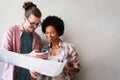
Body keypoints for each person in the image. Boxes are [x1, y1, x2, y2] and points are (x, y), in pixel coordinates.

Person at [1, 1, 46, 80]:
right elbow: (4, 56)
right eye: (32, 23)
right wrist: (28, 56)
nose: (35, 26)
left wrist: (36, 70)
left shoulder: (37, 38)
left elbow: (35, 62)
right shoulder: (12, 30)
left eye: (38, 24)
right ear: (25, 18)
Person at [40, 15, 81, 80]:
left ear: (58, 32)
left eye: (52, 32)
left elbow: (77, 69)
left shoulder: (69, 47)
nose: (49, 35)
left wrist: (64, 69)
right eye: (47, 33)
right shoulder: (44, 49)